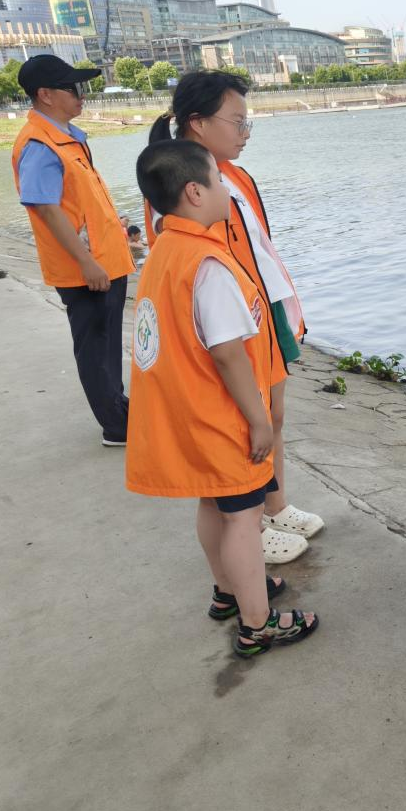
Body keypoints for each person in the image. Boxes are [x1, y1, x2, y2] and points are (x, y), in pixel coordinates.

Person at [127, 139, 318, 658]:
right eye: (217, 180)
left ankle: (228, 590)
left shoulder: (165, 252)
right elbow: (229, 353)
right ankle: (258, 624)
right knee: (243, 516)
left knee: (212, 502)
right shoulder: (207, 263)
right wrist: (259, 420)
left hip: (186, 412)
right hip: (218, 416)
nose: (226, 189)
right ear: (194, 192)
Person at [145, 71, 323, 549]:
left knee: (273, 415)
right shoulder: (181, 184)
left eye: (248, 123)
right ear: (198, 122)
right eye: (237, 121)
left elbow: (260, 248)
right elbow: (191, 271)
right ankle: (249, 527)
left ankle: (275, 505)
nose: (245, 133)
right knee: (243, 425)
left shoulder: (233, 175)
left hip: (263, 313)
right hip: (231, 326)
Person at [11, 54, 134, 446]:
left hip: (105, 262)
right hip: (87, 270)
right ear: (45, 95)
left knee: (107, 344)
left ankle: (118, 407)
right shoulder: (40, 145)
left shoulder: (66, 138)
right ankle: (115, 426)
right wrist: (86, 262)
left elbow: (79, 204)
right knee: (95, 347)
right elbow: (46, 208)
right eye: (73, 88)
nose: (82, 95)